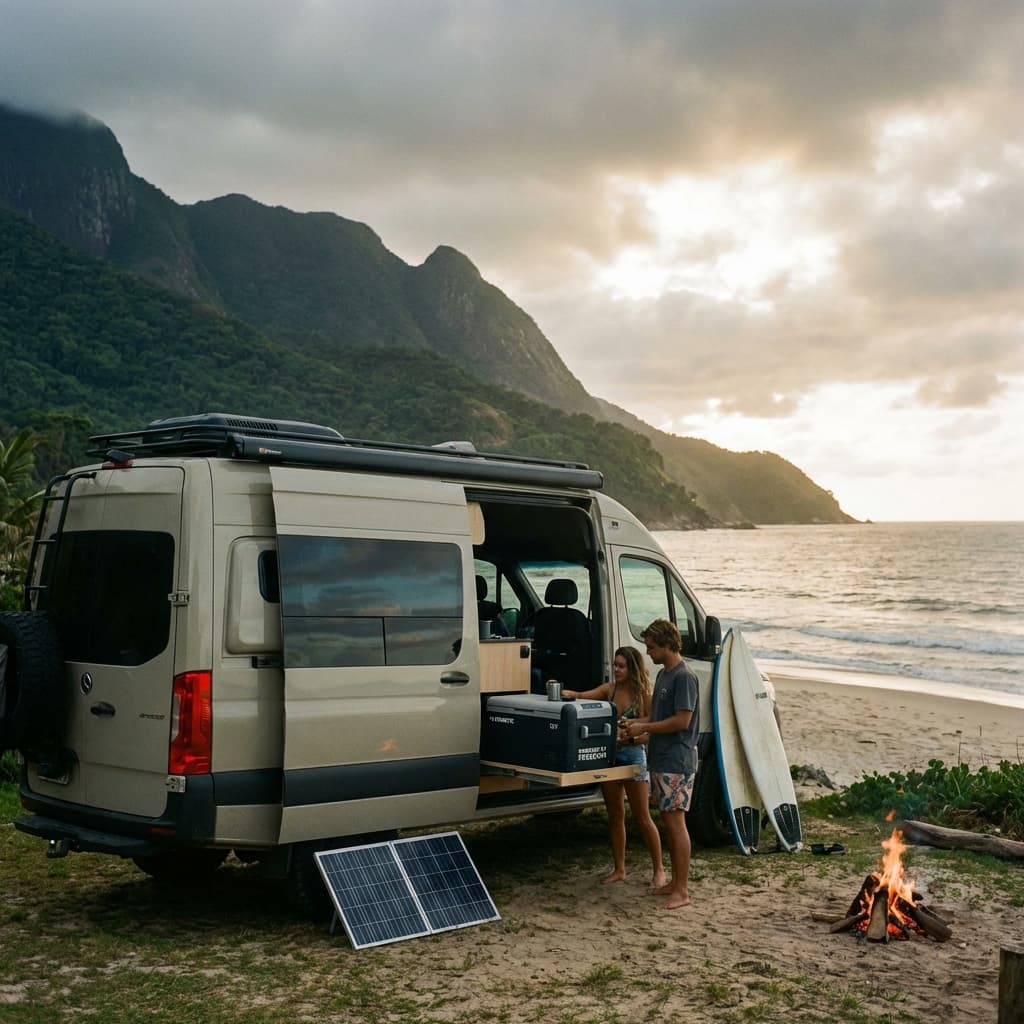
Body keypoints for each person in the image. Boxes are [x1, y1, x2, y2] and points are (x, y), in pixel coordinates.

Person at [562, 647, 667, 891]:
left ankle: (659, 870)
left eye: (622, 666)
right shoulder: (610, 690)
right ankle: (619, 869)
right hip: (608, 757)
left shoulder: (644, 696)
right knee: (615, 815)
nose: (617, 670)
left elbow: (650, 732)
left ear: (632, 668)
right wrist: (566, 693)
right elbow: (583, 696)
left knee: (642, 817)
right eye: (615, 665)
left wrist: (631, 738)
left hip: (632, 756)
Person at [623, 619, 699, 910]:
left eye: (652, 647)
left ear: (668, 645)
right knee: (668, 821)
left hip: (677, 760)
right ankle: (675, 884)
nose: (648, 652)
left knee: (676, 822)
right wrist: (636, 724)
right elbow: (656, 715)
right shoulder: (665, 674)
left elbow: (682, 721)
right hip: (661, 758)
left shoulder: (684, 677)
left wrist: (646, 730)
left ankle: (682, 890)